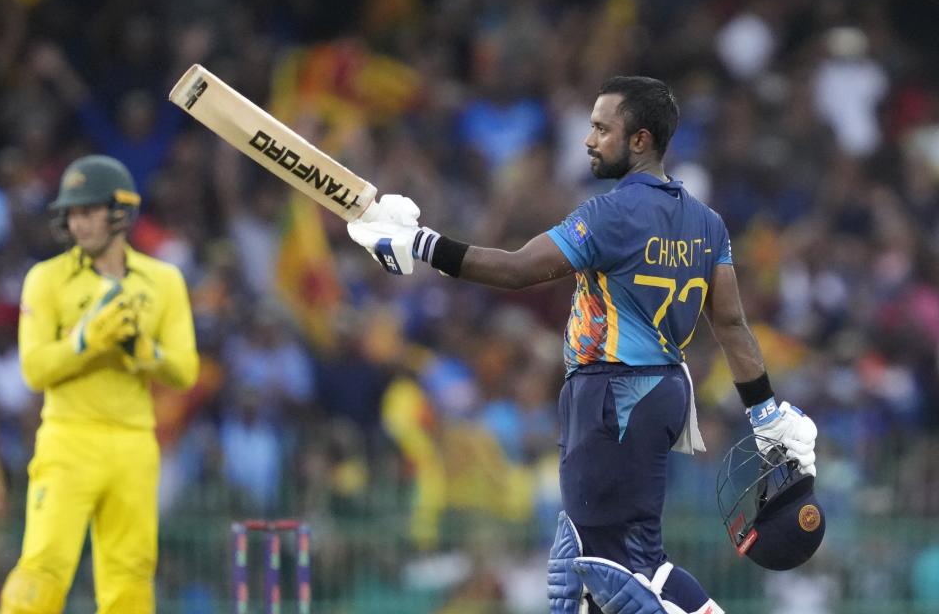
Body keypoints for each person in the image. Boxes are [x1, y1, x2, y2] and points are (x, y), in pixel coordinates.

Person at [347, 77, 818, 614]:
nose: (589, 140)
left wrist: (420, 243)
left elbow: (518, 269)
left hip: (611, 394)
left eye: (601, 128)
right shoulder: (708, 224)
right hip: (657, 392)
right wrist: (766, 415)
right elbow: (731, 326)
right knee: (602, 572)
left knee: (606, 568)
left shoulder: (611, 213)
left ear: (639, 140)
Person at [0, 155, 199, 614]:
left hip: (134, 443)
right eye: (71, 213)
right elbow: (34, 369)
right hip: (69, 439)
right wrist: (85, 341)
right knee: (44, 566)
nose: (77, 222)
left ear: (120, 212)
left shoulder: (163, 281)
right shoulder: (46, 279)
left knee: (129, 575)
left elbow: (185, 370)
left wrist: (143, 352)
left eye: (88, 210)